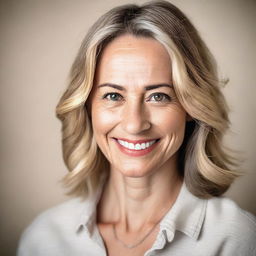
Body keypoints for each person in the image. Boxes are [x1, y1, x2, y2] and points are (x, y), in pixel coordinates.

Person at [17, 1, 256, 255]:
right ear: (87, 107)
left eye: (159, 96)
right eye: (112, 96)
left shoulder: (237, 239)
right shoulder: (44, 239)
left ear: (191, 108)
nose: (134, 124)